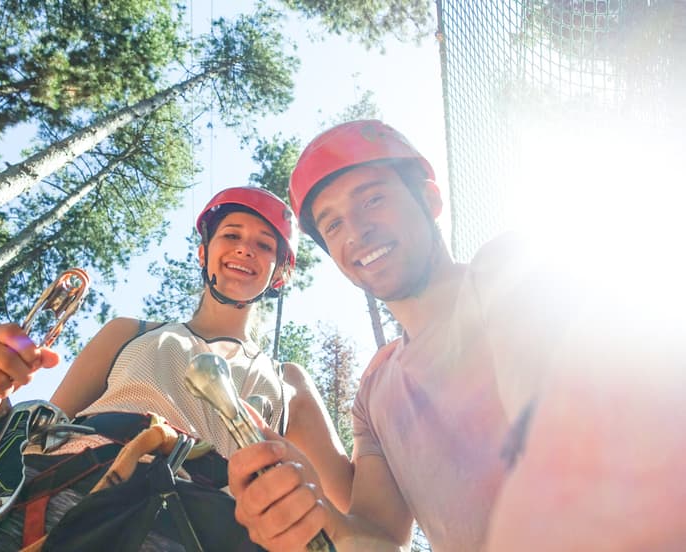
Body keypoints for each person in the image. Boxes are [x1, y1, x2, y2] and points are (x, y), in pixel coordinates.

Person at [227, 120, 588, 551]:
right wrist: (312, 515)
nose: (357, 231)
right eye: (334, 225)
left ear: (430, 199)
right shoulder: (376, 395)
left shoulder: (513, 272)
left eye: (373, 199)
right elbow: (377, 538)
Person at [0, 186, 353, 549]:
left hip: (202, 530)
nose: (245, 248)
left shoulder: (288, 382)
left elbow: (357, 510)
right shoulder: (128, 332)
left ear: (279, 273)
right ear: (203, 253)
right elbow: (31, 447)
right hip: (53, 497)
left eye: (265, 245)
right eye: (231, 235)